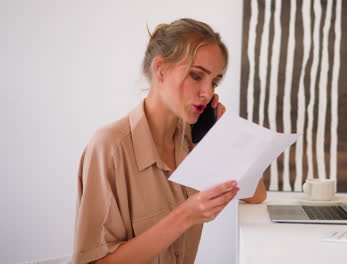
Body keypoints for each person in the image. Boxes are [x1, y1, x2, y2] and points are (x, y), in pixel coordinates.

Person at [72, 18, 267, 264]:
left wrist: (225, 135)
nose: (207, 93)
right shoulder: (109, 147)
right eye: (197, 76)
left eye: (214, 82)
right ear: (160, 70)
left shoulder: (195, 138)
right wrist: (186, 215)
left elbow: (256, 195)